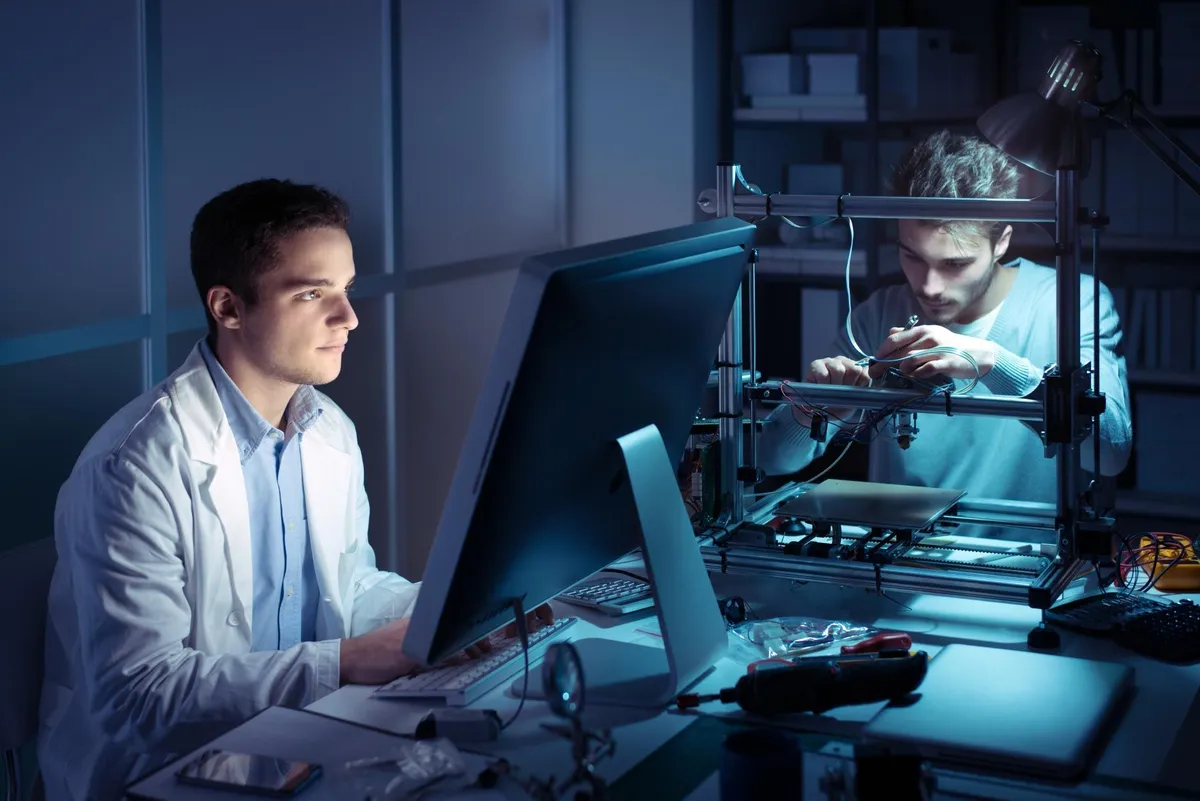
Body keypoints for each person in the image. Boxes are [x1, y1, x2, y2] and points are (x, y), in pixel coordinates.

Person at [38, 179, 551, 801]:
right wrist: (348, 661)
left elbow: (348, 589)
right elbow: (138, 699)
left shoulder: (326, 428)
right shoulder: (135, 465)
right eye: (312, 293)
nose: (349, 318)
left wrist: (451, 615)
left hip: (297, 743)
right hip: (163, 775)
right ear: (228, 308)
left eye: (346, 289)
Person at [756, 131, 1132, 529]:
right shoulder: (877, 315)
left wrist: (993, 362)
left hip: (1024, 560)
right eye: (912, 256)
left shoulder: (1071, 302)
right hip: (903, 569)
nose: (929, 286)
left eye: (954, 264)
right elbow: (773, 460)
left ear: (1001, 242)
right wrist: (811, 410)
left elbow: (1110, 455)